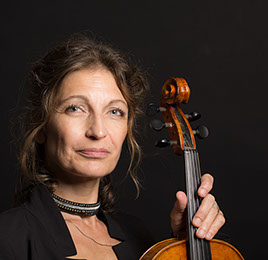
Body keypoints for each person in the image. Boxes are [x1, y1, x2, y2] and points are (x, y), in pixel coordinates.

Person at [0, 34, 225, 260]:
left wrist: (182, 246)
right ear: (40, 127)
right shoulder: (8, 239)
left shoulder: (140, 239)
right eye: (76, 108)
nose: (98, 132)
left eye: (114, 111)